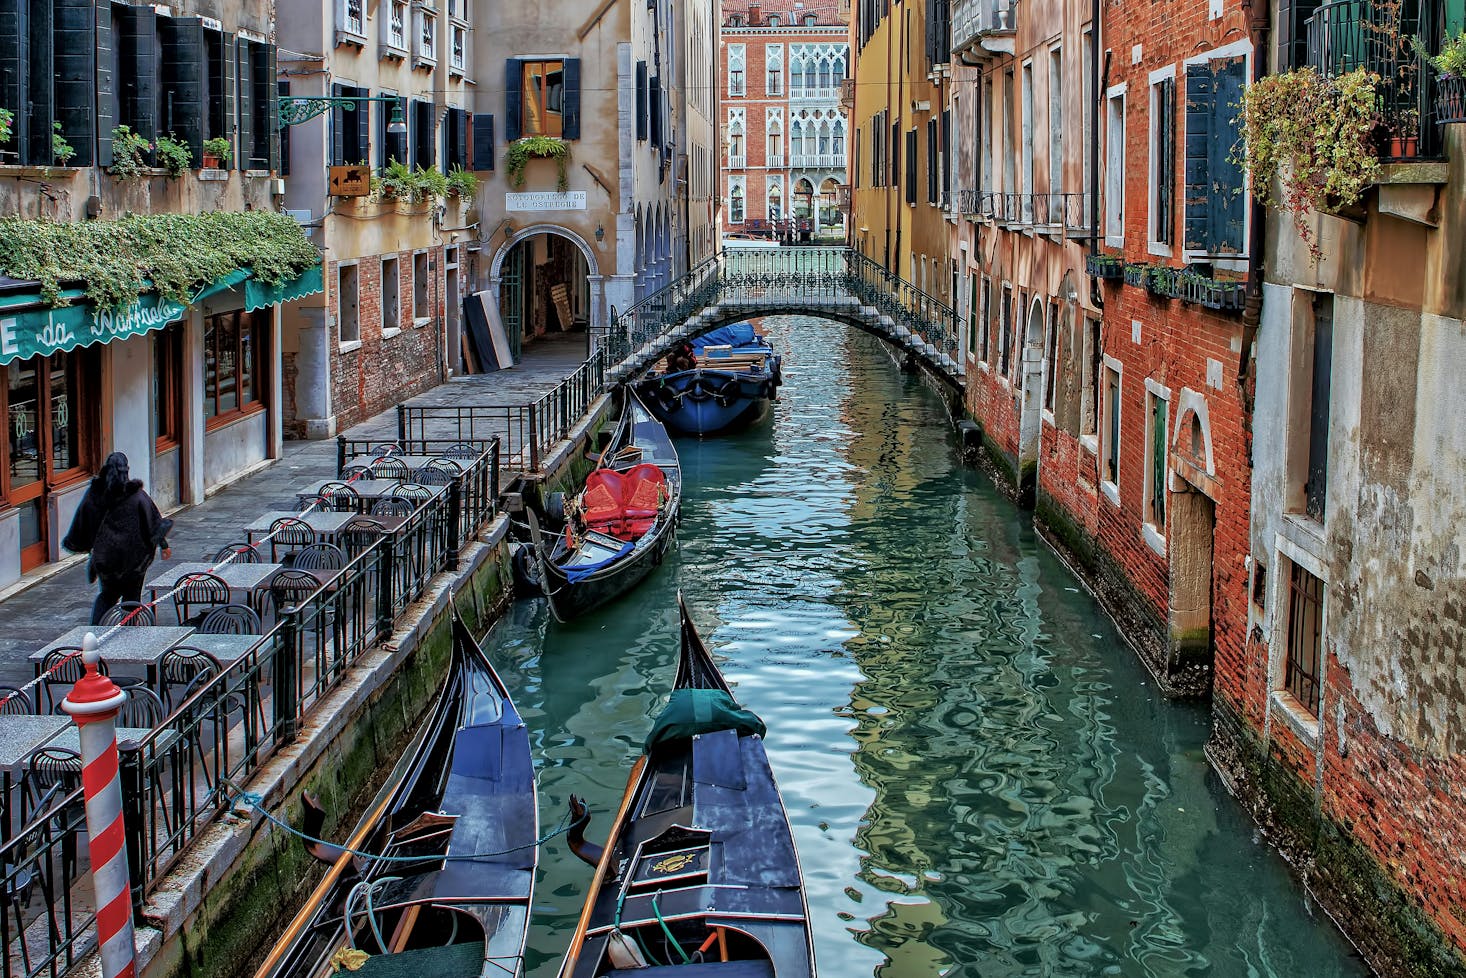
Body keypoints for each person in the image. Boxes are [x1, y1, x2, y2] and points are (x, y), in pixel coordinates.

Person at [63, 452, 173, 625]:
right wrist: (164, 545)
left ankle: (96, 633)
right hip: (134, 562)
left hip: (106, 561)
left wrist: (85, 545)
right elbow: (153, 524)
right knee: (132, 599)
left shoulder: (94, 496)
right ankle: (128, 637)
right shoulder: (137, 497)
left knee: (107, 597)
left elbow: (83, 521)